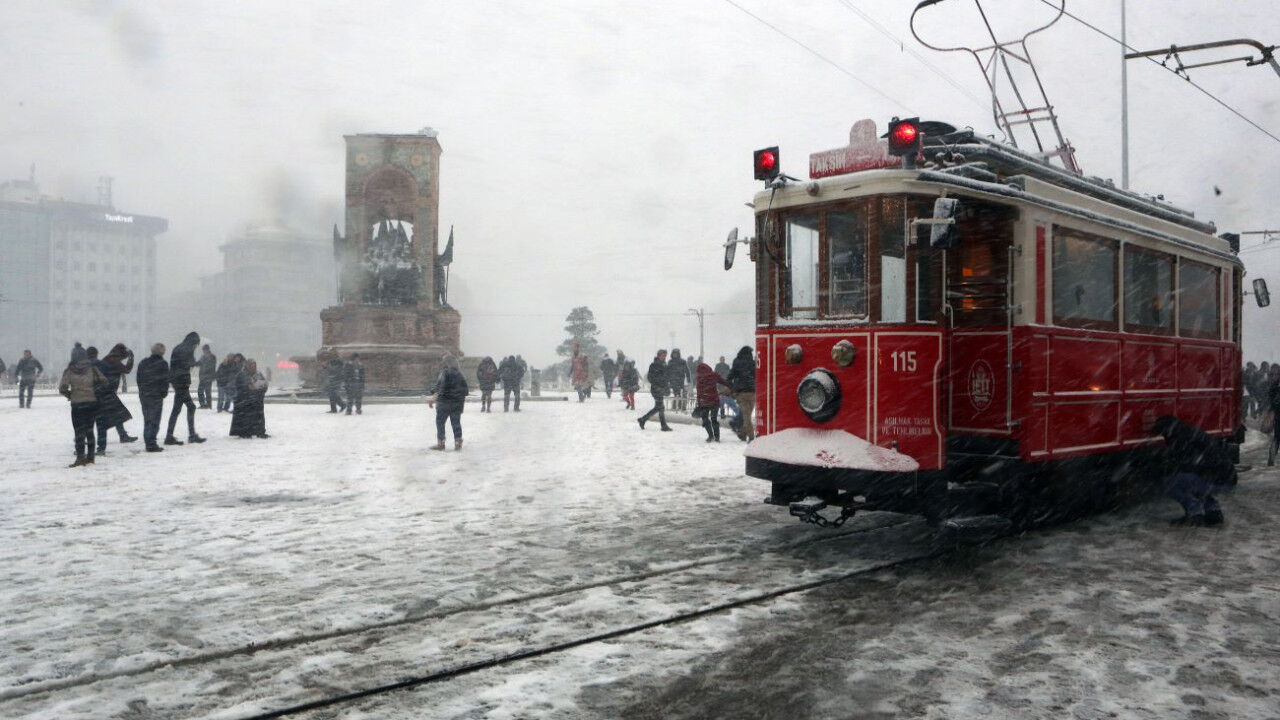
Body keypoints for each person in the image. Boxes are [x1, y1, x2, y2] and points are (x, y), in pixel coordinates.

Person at [1151, 415, 1232, 526]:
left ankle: (1194, 514)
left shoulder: (1181, 440)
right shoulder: (1189, 432)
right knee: (1195, 482)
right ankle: (1214, 512)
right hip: (1228, 478)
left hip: (1216, 479)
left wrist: (1160, 469)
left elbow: (1185, 465)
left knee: (1170, 483)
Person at [59, 344, 107, 467]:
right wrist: (94, 392)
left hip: (77, 404)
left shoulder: (70, 370)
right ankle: (91, 457)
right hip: (91, 403)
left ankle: (80, 457)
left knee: (79, 431)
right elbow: (104, 382)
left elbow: (62, 388)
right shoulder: (92, 369)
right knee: (90, 430)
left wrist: (71, 395)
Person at [94, 344, 137, 454]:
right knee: (117, 413)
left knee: (117, 413)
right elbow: (126, 370)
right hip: (108, 391)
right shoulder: (114, 360)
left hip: (104, 390)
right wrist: (131, 358)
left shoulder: (109, 358)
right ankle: (121, 436)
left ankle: (123, 435)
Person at [165, 331, 205, 446]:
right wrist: (197, 363)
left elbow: (178, 364)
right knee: (188, 407)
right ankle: (188, 435)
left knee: (178, 409)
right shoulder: (187, 349)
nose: (196, 346)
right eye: (196, 344)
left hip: (177, 380)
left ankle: (171, 435)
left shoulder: (179, 347)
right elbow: (187, 364)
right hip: (181, 381)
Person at [429, 354, 468, 450]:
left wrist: (433, 394)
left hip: (444, 403)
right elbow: (466, 391)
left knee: (440, 423)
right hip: (457, 404)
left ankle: (441, 443)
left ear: (446, 363)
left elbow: (440, 387)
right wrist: (457, 394)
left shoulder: (444, 373)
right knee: (456, 423)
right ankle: (458, 440)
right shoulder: (460, 375)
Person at [136, 343, 169, 452]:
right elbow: (165, 380)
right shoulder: (162, 364)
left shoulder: (143, 362)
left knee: (147, 419)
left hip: (145, 394)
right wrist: (163, 392)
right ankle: (151, 443)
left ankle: (148, 441)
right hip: (156, 395)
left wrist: (142, 389)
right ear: (162, 352)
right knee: (154, 419)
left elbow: (139, 378)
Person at [230, 359, 269, 438]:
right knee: (245, 417)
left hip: (256, 399)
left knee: (258, 416)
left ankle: (259, 431)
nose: (253, 367)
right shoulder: (241, 374)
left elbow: (263, 383)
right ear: (247, 366)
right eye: (251, 365)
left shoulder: (258, 374)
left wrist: (263, 387)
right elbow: (240, 387)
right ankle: (245, 432)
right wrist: (250, 387)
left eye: (254, 365)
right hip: (244, 400)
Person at [694, 360, 732, 442]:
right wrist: (731, 385)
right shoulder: (713, 375)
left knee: (705, 419)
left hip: (704, 401)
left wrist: (699, 402)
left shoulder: (699, 378)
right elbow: (723, 381)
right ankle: (717, 437)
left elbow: (699, 391)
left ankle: (710, 436)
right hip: (714, 400)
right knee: (714, 419)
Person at [727, 345, 756, 441]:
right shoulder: (753, 363)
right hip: (752, 392)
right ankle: (750, 436)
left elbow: (730, 376)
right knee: (747, 416)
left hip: (741, 393)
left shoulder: (737, 362)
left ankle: (744, 434)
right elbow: (756, 376)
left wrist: (732, 388)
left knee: (746, 416)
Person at [638, 349, 673, 431]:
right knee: (659, 407)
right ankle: (644, 420)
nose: (664, 357)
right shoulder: (654, 365)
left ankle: (644, 420)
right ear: (658, 356)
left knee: (659, 407)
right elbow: (650, 378)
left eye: (665, 355)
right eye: (663, 355)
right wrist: (659, 383)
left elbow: (666, 377)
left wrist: (666, 385)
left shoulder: (664, 365)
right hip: (656, 389)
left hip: (661, 388)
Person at [196, 344, 217, 409]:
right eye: (204, 350)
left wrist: (212, 376)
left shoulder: (212, 356)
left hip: (208, 377)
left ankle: (208, 405)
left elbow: (212, 367)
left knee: (207, 391)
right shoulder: (203, 357)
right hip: (203, 377)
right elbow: (199, 364)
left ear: (207, 349)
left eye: (205, 349)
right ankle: (203, 404)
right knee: (201, 391)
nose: (204, 351)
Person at [1268, 365, 1280, 466]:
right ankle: (1271, 458)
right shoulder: (1274, 386)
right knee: (1277, 437)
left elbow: (1272, 401)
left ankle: (1271, 459)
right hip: (1278, 414)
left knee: (1277, 437)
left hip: (1278, 414)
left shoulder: (1273, 385)